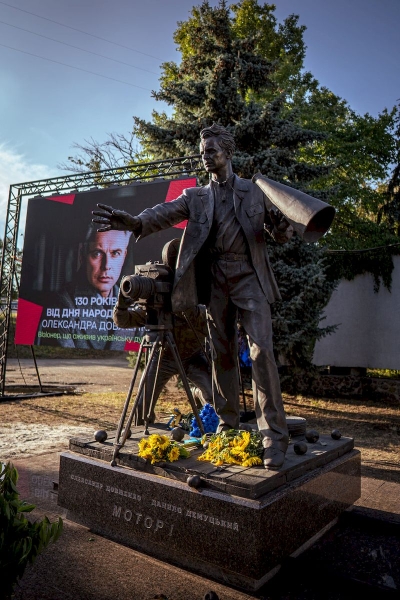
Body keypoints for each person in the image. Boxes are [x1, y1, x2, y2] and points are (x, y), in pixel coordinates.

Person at [93, 123, 293, 469]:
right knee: (223, 355)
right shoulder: (196, 197)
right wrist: (134, 222)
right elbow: (162, 213)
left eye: (212, 151)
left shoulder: (254, 191)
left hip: (249, 278)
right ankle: (230, 430)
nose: (206, 157)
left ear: (228, 153)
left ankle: (274, 435)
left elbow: (281, 233)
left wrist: (280, 227)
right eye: (202, 152)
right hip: (215, 281)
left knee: (261, 351)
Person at [113, 240, 224, 424]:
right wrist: (122, 306)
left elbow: (205, 319)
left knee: (215, 400)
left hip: (192, 357)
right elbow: (123, 321)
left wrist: (179, 303)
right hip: (164, 358)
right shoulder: (158, 303)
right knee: (142, 409)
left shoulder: (196, 289)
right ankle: (147, 437)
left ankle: (198, 394)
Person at [36, 223, 137, 350]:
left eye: (115, 253)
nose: (106, 265)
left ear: (124, 256)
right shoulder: (62, 303)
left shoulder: (134, 305)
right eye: (97, 253)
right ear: (82, 255)